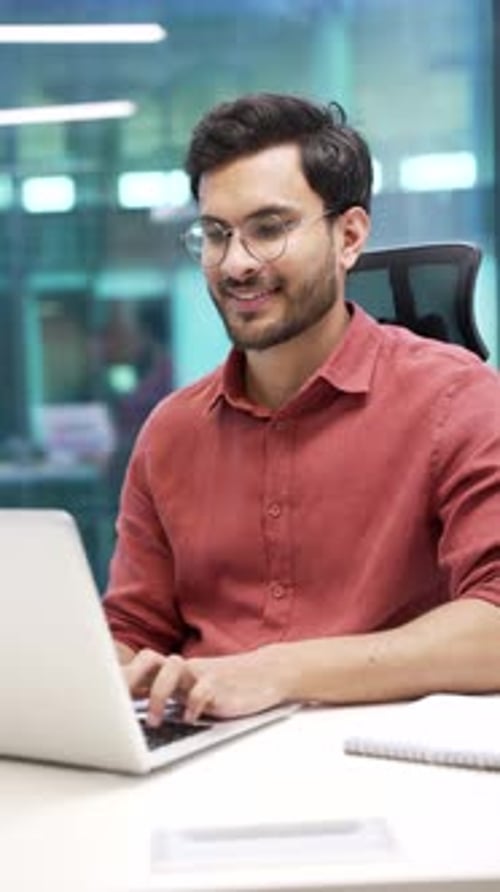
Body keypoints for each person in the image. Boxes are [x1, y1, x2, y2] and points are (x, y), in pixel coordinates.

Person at [103, 92, 500, 727]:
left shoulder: (459, 399)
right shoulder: (171, 432)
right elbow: (131, 626)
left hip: (377, 764)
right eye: (215, 233)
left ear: (349, 237)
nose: (235, 263)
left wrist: (276, 671)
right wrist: (82, 683)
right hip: (195, 763)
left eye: (269, 229)